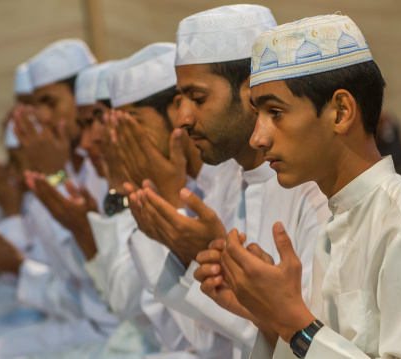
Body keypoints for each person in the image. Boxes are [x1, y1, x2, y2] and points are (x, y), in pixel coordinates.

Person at [196, 14, 401, 359]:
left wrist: (295, 323)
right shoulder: (334, 224)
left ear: (340, 112)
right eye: (258, 114)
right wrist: (269, 314)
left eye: (275, 112)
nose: (257, 137)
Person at [130, 5, 330, 358]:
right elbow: (203, 343)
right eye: (179, 99)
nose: (183, 118)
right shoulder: (224, 179)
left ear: (251, 91)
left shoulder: (314, 191)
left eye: (198, 98)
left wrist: (213, 256)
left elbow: (314, 341)